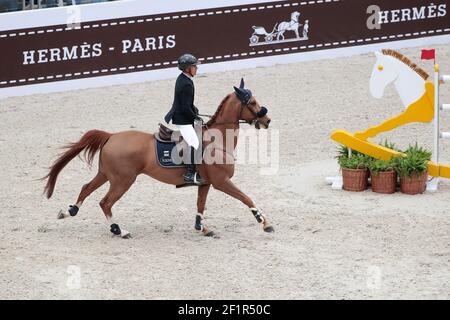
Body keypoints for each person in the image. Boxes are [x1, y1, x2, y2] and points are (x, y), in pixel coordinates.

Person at [164, 53, 203, 185]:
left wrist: (195, 110)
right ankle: (189, 174)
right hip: (182, 118)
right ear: (187, 68)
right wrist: (195, 118)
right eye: (194, 66)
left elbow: (187, 102)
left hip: (183, 114)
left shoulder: (183, 78)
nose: (196, 69)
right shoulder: (186, 83)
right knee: (195, 143)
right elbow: (185, 107)